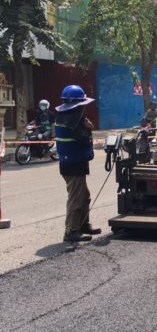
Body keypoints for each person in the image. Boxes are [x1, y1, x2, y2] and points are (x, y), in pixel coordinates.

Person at [54, 85, 100, 243]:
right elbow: (82, 138)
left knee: (84, 196)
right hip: (73, 164)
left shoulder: (63, 117)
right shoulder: (72, 120)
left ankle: (83, 225)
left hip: (74, 163)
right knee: (76, 198)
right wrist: (89, 128)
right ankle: (71, 231)